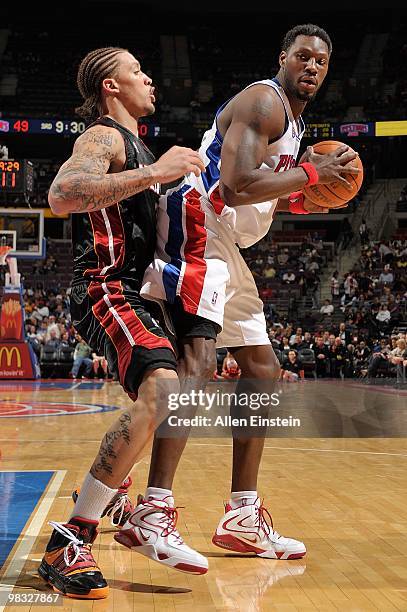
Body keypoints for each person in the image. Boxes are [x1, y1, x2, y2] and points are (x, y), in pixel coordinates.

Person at [141, 23, 360, 562]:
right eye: (303, 56)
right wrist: (310, 173)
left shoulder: (294, 121)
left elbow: (257, 190)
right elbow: (235, 183)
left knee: (261, 371)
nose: (312, 66)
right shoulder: (264, 101)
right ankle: (153, 511)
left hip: (224, 235)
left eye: (321, 62)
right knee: (197, 364)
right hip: (200, 220)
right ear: (283, 58)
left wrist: (301, 196)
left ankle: (241, 515)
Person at [38, 46, 207, 600]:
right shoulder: (104, 136)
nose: (150, 78)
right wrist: (157, 172)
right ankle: (73, 537)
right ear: (111, 87)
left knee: (173, 395)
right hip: (106, 288)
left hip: (143, 292)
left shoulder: (138, 146)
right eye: (137, 71)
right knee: (163, 390)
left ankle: (116, 490)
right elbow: (62, 195)